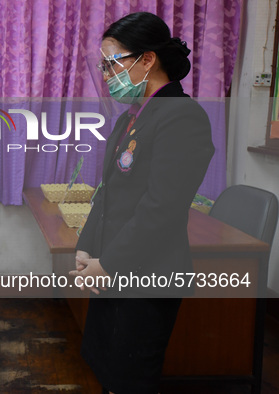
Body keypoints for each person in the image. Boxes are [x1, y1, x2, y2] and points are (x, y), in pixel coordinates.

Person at [68, 12, 215, 394]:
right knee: (107, 367)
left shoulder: (182, 117)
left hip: (147, 274)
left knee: (131, 377)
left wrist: (110, 262)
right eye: (102, 64)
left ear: (147, 59)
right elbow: (109, 191)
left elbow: (161, 207)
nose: (105, 73)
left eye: (112, 62)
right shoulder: (131, 118)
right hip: (113, 266)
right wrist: (87, 246)